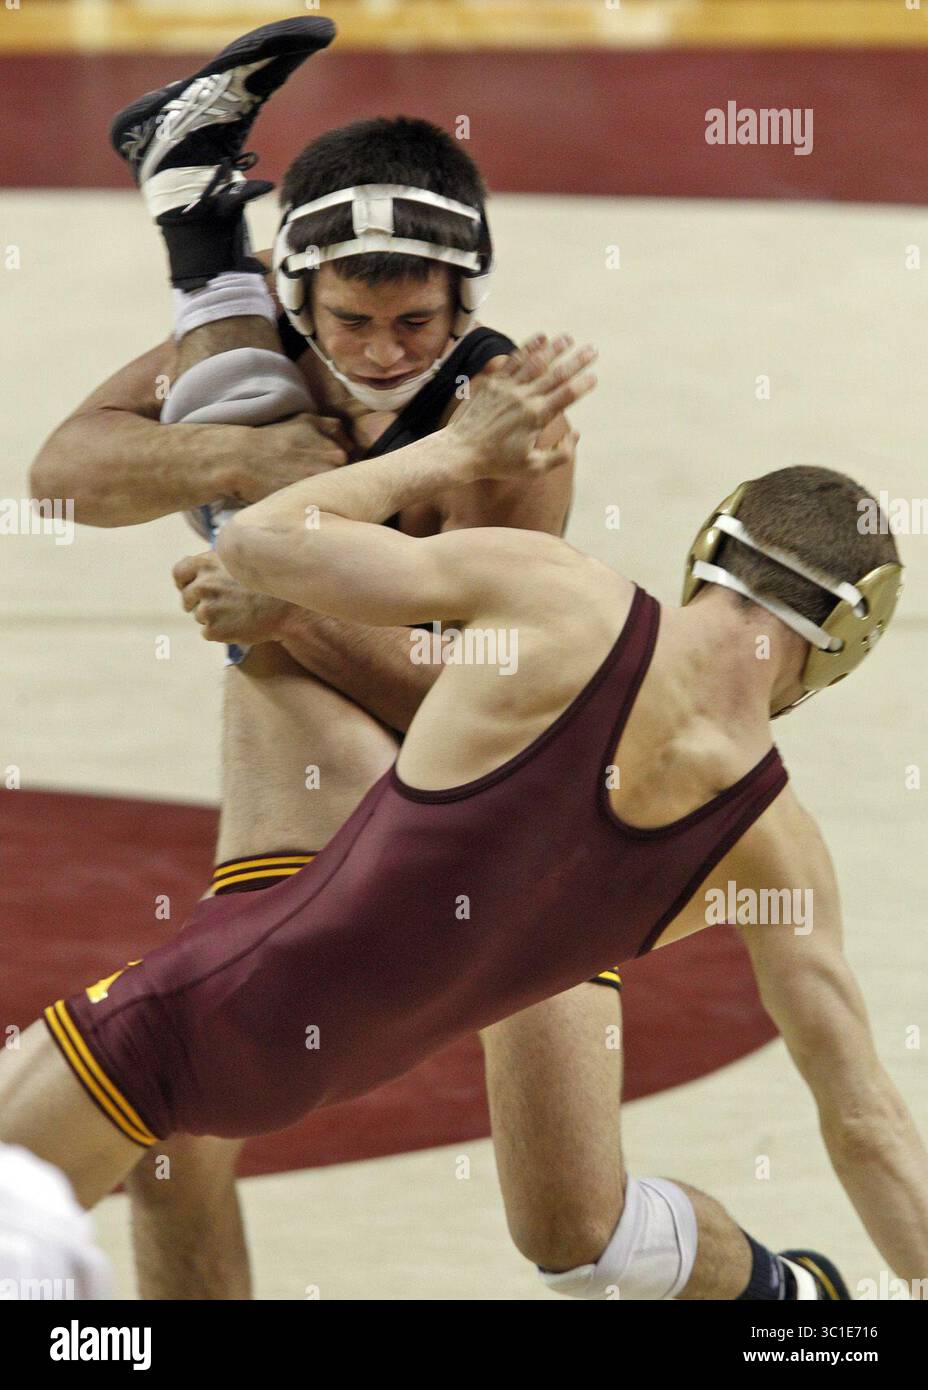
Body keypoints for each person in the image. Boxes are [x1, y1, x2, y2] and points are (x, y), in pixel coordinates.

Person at [4, 322, 923, 1300]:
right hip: (319, 1056)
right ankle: (799, 1313)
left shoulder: (560, 600)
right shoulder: (776, 851)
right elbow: (863, 1121)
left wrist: (459, 447)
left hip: (183, 1030)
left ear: (710, 548)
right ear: (842, 643)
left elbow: (263, 539)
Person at [29, 17, 623, 1299]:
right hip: (316, 765)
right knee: (178, 1128)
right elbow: (59, 478)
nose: (384, 351)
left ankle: (794, 1311)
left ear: (466, 301)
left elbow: (476, 712)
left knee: (575, 1229)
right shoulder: (267, 365)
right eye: (353, 317)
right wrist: (236, 467)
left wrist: (284, 604)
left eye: (417, 320)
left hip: (512, 815)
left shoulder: (502, 418)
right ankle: (192, 219)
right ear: (299, 293)